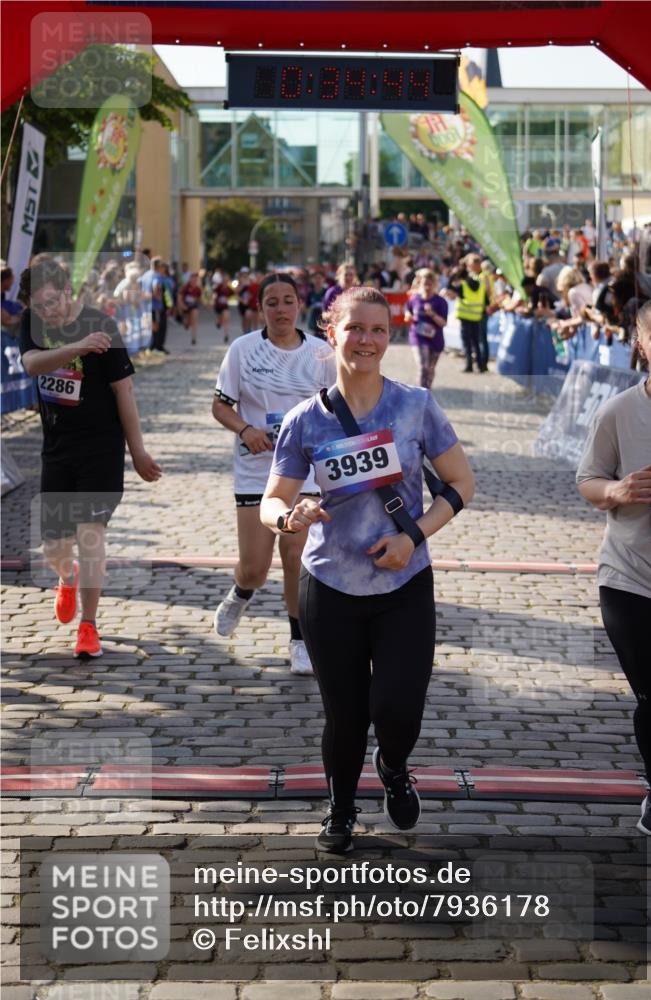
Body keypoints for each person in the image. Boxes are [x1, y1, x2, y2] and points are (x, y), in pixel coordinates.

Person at [260, 286, 475, 853]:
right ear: (332, 333)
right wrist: (291, 517)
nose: (367, 340)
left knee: (398, 707)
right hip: (330, 584)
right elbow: (271, 502)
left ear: (391, 336)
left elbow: (461, 484)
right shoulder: (306, 419)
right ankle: (340, 807)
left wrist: (412, 537)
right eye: (355, 328)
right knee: (346, 712)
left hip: (404, 581)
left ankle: (396, 764)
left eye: (378, 330)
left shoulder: (415, 405)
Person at [17, 258, 161, 658]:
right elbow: (31, 364)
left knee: (90, 535)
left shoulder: (102, 324)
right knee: (53, 548)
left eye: (52, 302)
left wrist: (138, 452)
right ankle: (67, 577)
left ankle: (89, 625)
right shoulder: (33, 323)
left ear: (67, 289)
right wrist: (78, 347)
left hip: (101, 449)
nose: (48, 312)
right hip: (58, 449)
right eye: (39, 306)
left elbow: (124, 392)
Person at [212, 273, 336, 675]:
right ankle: (240, 591)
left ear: (300, 305)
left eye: (287, 301)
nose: (280, 309)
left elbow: (339, 408)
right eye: (271, 302)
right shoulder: (243, 349)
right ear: (260, 308)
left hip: (305, 473)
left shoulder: (321, 353)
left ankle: (299, 638)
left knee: (296, 555)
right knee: (256, 567)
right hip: (256, 470)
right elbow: (220, 406)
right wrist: (246, 430)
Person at [576, 296, 651, 838]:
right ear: (640, 343)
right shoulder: (618, 412)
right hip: (631, 578)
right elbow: (588, 479)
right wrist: (618, 490)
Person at [404, 268, 447, 389]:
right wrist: (408, 315)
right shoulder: (415, 298)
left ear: (435, 284)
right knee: (423, 366)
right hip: (417, 336)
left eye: (430, 284)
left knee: (430, 369)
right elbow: (408, 310)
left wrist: (432, 314)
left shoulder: (440, 301)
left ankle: (427, 390)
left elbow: (443, 323)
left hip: (435, 339)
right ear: (420, 284)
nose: (427, 287)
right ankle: (422, 393)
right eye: (424, 284)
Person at [447, 253, 487, 373]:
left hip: (465, 317)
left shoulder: (463, 286)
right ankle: (480, 366)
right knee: (476, 341)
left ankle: (469, 365)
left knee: (467, 342)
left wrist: (452, 275)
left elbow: (449, 287)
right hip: (477, 316)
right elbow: (485, 299)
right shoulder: (480, 284)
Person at [178, 272, 202, 346]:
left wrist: (198, 300)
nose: (194, 281)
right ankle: (186, 323)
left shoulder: (198, 289)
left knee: (194, 320)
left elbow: (200, 300)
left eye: (195, 279)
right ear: (190, 279)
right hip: (186, 307)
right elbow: (179, 298)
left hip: (194, 307)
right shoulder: (185, 287)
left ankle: (194, 338)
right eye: (193, 279)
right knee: (187, 323)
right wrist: (182, 306)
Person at [212, 270, 233, 344]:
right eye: (224, 280)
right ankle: (218, 322)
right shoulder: (219, 287)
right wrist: (212, 302)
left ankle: (226, 335)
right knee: (220, 320)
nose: (225, 281)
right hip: (218, 306)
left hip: (225, 306)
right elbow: (214, 294)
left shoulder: (229, 288)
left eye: (227, 280)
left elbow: (233, 294)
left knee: (226, 319)